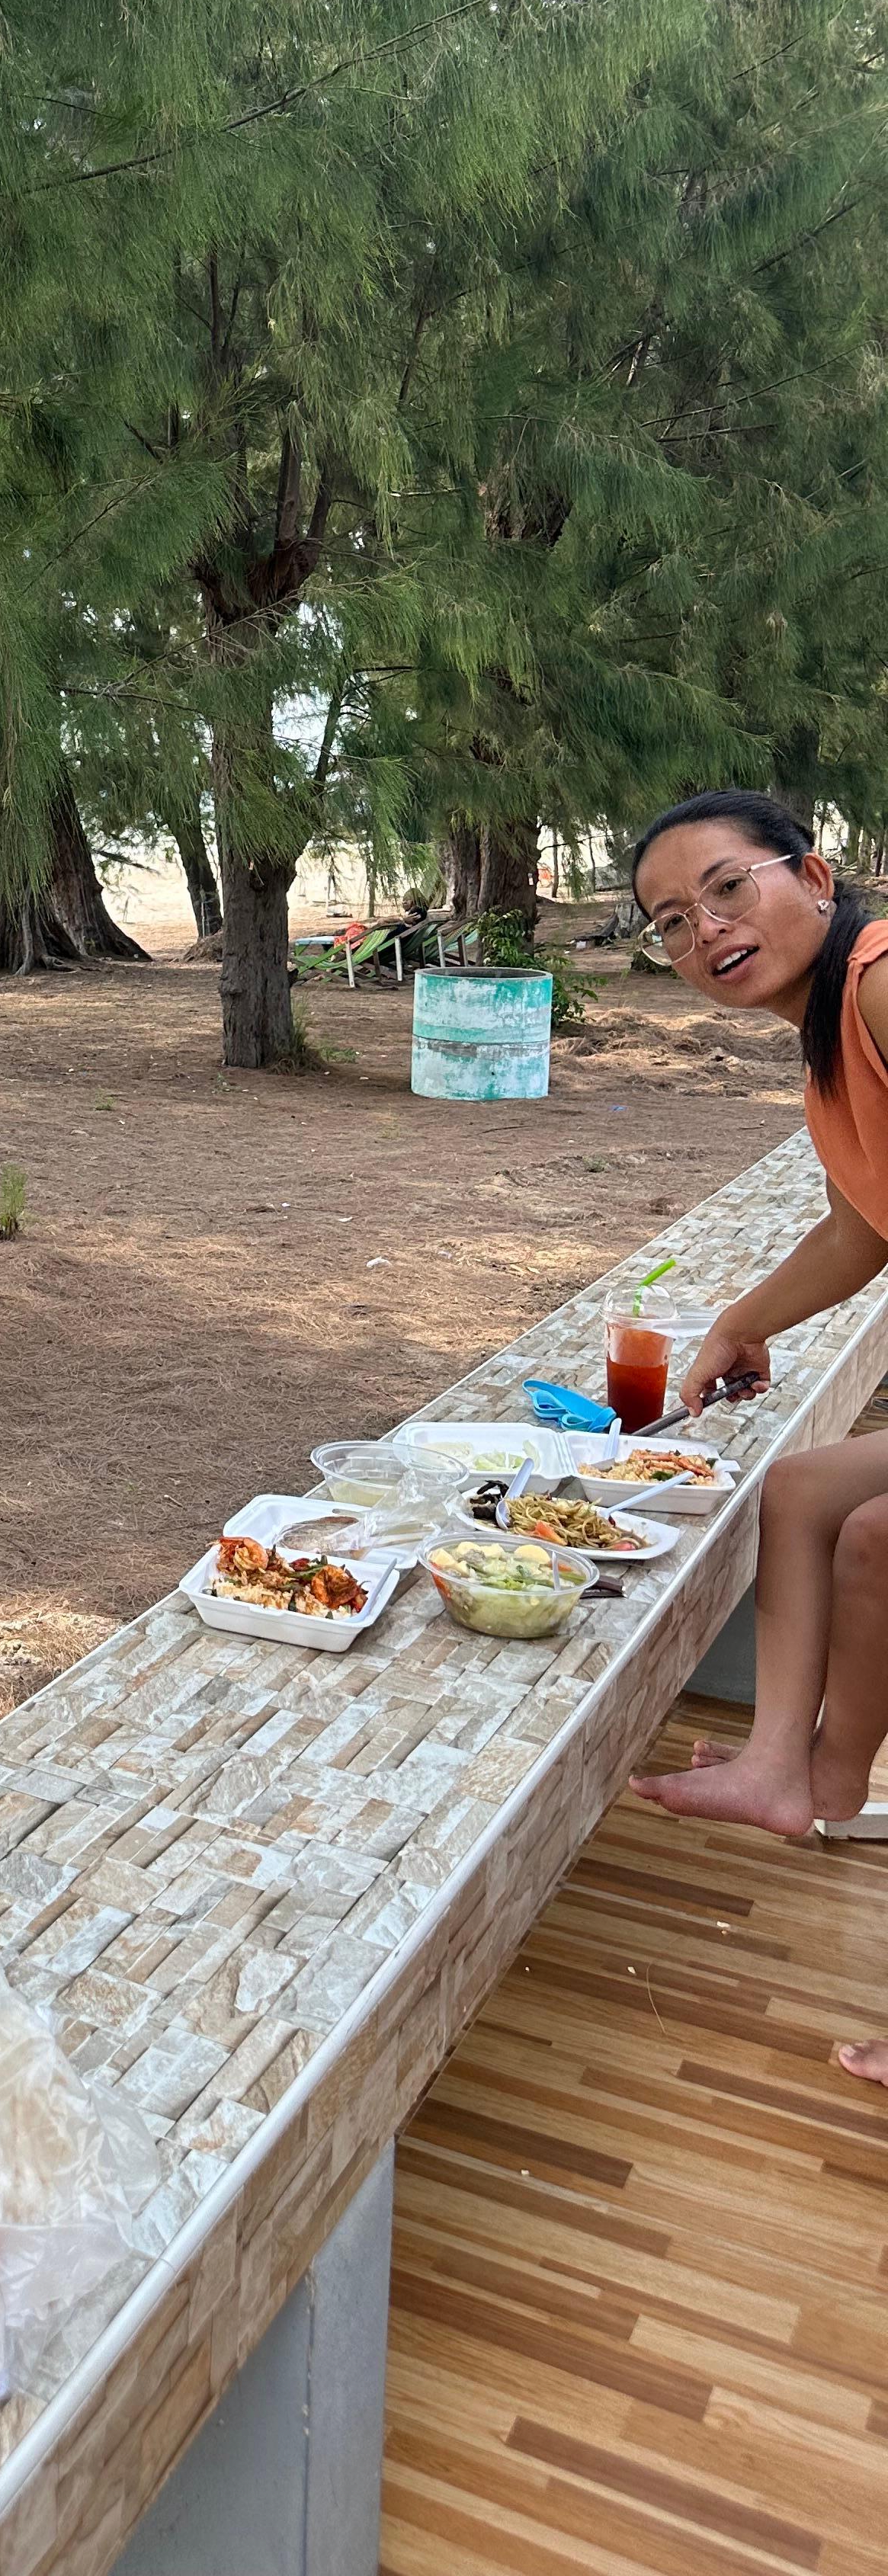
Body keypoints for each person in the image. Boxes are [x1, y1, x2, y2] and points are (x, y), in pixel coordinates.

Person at [620, 789, 888, 2090]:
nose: (706, 929)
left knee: (884, 1535)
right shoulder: (831, 1041)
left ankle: (829, 1765)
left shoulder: (882, 983)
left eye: (728, 888)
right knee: (804, 1492)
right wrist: (740, 1321)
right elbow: (862, 1230)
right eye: (673, 921)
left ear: (816, 876)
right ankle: (791, 1769)